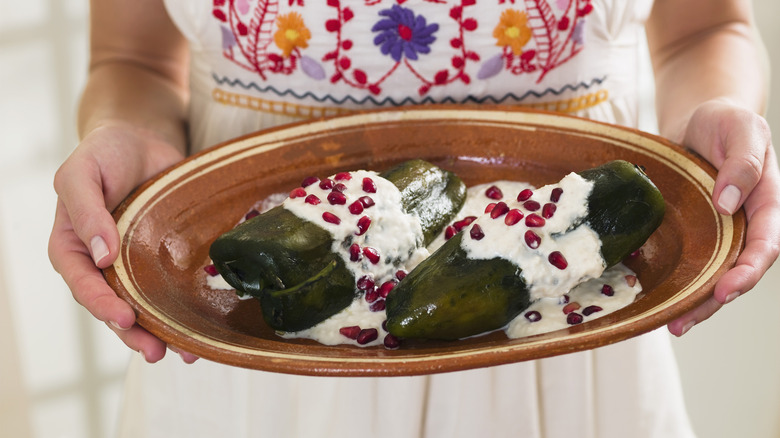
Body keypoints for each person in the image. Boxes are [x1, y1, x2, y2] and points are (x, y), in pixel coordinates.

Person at [49, 0, 778, 436]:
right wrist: (131, 147)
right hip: (250, 332)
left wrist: (712, 130)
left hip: (570, 339)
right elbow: (133, 58)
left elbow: (703, 29)